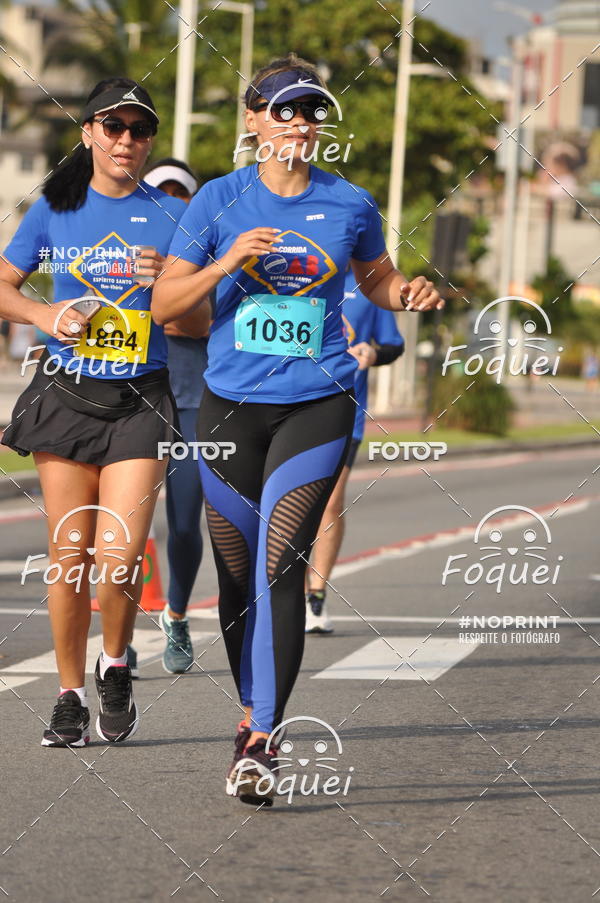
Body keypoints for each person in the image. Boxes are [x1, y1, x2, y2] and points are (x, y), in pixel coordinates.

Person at [152, 53, 443, 804]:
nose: (300, 124)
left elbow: (376, 278)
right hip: (229, 404)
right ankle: (250, 707)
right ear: (253, 120)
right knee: (236, 571)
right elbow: (165, 304)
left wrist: (404, 292)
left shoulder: (349, 202)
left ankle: (262, 738)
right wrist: (227, 262)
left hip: (319, 398)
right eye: (284, 110)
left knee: (281, 560)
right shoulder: (218, 199)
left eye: (311, 111)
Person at [0, 77, 204, 747]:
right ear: (88, 131)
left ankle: (114, 663)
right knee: (69, 557)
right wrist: (43, 314)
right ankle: (68, 695)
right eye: (112, 126)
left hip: (139, 401)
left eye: (139, 130)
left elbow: (200, 319)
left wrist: (164, 285)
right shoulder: (53, 210)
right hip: (66, 396)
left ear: (149, 141)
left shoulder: (173, 215)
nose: (126, 140)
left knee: (118, 561)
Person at [305, 269, 405, 633]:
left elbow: (393, 344)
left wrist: (373, 353)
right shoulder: (292, 273)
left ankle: (316, 595)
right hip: (287, 406)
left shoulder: (368, 282)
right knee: (291, 504)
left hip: (344, 411)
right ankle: (288, 593)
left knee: (329, 502)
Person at [143, 158, 209, 673]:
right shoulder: (126, 249)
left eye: (178, 195)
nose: (169, 203)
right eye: (159, 193)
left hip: (190, 403)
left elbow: (200, 322)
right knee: (121, 527)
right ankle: (119, 638)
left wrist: (167, 288)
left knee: (184, 525)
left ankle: (178, 615)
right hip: (132, 401)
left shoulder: (208, 250)